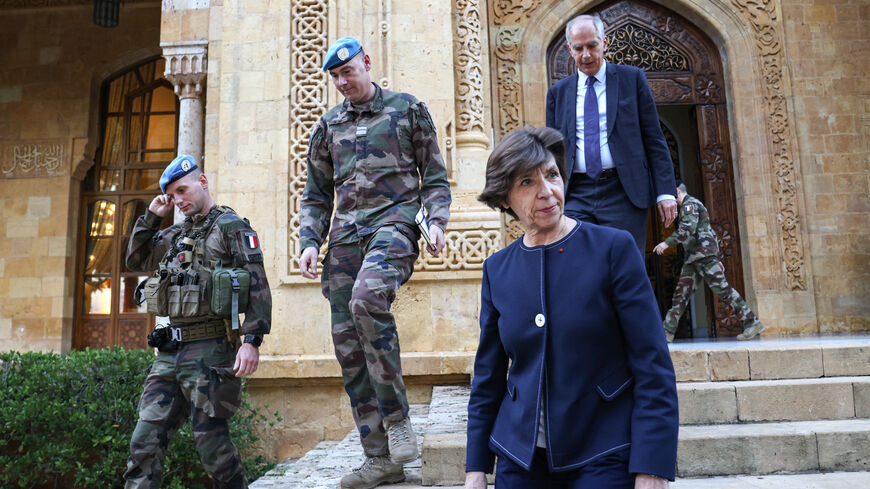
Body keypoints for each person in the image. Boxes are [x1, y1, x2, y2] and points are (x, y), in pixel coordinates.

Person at [465, 127, 678, 489]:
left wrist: (651, 465)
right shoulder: (497, 270)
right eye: (527, 183)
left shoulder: (612, 249)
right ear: (505, 199)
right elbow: (488, 378)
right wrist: (476, 469)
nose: (546, 191)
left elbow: (652, 362)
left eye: (551, 175)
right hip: (521, 454)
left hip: (604, 446)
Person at [298, 37, 452, 489]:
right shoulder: (328, 127)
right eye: (336, 77)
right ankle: (379, 457)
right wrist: (309, 241)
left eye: (349, 71)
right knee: (348, 347)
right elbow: (316, 196)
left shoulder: (407, 110)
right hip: (344, 240)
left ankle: (398, 419)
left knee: (368, 299)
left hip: (394, 226)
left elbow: (436, 178)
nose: (343, 82)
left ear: (367, 63)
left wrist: (437, 221)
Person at [123, 155, 272, 489]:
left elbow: (258, 286)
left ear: (202, 182)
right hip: (169, 353)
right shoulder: (175, 234)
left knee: (213, 448)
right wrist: (152, 215)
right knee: (143, 443)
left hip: (212, 352)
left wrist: (251, 342)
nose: (179, 200)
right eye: (173, 195)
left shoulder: (232, 227)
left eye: (182, 190)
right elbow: (135, 259)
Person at [546, 13, 677, 252]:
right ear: (569, 49)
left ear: (604, 43)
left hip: (624, 192)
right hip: (576, 193)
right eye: (578, 48)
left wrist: (665, 192)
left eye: (592, 46)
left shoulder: (632, 79)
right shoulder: (558, 93)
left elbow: (654, 139)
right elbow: (552, 154)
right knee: (581, 267)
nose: (586, 54)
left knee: (624, 268)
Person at [653, 181, 765, 342]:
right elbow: (708, 231)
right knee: (680, 296)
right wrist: (716, 257)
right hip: (695, 258)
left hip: (702, 256)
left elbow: (687, 230)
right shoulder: (690, 205)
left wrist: (666, 243)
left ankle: (752, 322)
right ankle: (667, 332)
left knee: (723, 290)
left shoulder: (689, 205)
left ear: (677, 191)